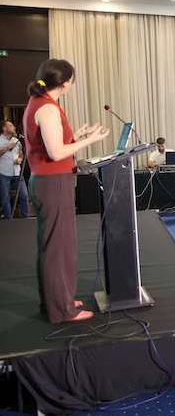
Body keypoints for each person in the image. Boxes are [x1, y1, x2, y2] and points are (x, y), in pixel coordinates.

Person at [24, 59, 110, 323]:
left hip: (46, 181)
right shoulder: (48, 108)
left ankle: (56, 301)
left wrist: (78, 135)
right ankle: (62, 310)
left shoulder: (39, 103)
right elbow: (56, 152)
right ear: (64, 83)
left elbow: (51, 144)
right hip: (53, 183)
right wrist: (89, 140)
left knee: (52, 246)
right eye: (71, 80)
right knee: (58, 249)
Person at [0, 120, 28, 219]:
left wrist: (20, 159)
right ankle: (9, 220)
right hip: (4, 174)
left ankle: (25, 219)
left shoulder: (17, 140)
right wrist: (7, 147)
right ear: (4, 128)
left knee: (24, 195)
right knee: (5, 199)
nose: (14, 127)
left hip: (17, 173)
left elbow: (21, 153)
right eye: (11, 125)